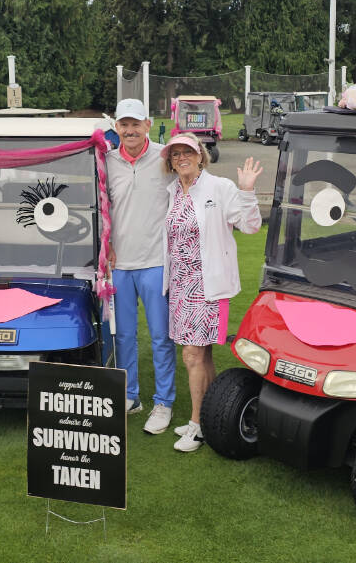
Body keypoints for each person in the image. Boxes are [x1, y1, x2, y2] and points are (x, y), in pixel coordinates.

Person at [160, 133, 263, 452]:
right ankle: (215, 415)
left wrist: (247, 191)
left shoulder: (219, 188)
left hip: (208, 287)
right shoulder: (173, 191)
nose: (181, 158)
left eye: (187, 152)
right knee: (198, 354)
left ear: (201, 155)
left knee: (192, 355)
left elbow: (250, 225)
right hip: (179, 286)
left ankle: (197, 425)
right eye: (175, 155)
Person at [104, 98, 176, 435]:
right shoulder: (105, 160)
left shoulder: (166, 157)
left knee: (161, 336)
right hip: (120, 265)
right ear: (116, 127)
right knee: (125, 337)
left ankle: (164, 401)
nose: (130, 130)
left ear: (148, 123)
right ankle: (130, 396)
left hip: (156, 263)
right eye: (124, 124)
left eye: (136, 124)